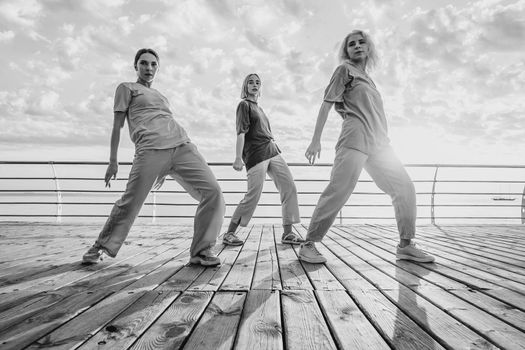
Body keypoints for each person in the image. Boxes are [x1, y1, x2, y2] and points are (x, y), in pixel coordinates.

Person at [299, 30, 434, 264]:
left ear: (369, 48)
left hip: (381, 144)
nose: (358, 46)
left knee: (404, 187)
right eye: (352, 44)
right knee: (339, 189)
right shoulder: (344, 70)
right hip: (355, 136)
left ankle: (406, 245)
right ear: (346, 50)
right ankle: (309, 244)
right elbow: (326, 105)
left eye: (362, 42)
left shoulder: (369, 79)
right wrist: (315, 139)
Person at [82, 48, 225, 266]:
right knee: (130, 203)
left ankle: (202, 251)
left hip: (183, 145)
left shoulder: (161, 96)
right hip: (150, 150)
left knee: (213, 192)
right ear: (136, 66)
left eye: (153, 64)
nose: (149, 68)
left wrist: (169, 167)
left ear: (158, 67)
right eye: (143, 63)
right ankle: (101, 246)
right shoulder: (127, 88)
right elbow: (117, 127)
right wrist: (113, 160)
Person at [222, 73, 303, 246]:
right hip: (256, 154)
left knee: (289, 187)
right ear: (245, 86)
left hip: (272, 150)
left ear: (260, 87)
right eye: (250, 82)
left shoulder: (260, 108)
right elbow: (241, 133)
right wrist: (238, 157)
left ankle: (288, 233)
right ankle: (229, 233)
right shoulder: (244, 105)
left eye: (258, 82)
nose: (254, 84)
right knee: (253, 195)